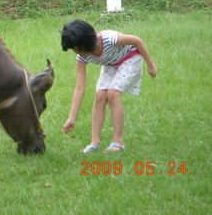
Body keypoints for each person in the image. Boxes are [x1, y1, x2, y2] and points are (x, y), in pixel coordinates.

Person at [60, 19, 158, 153]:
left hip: (130, 58)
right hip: (111, 64)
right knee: (100, 95)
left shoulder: (109, 39)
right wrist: (71, 118)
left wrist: (150, 65)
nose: (76, 52)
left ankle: (118, 142)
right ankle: (94, 142)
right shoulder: (82, 56)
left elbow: (136, 40)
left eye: (77, 48)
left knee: (112, 93)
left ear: (87, 42)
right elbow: (79, 88)